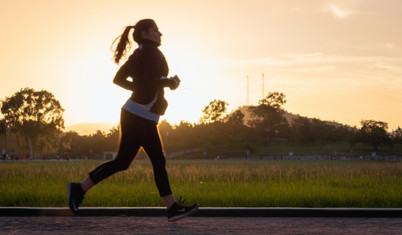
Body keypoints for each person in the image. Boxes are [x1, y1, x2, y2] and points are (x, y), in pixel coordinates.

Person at [67, 19, 199, 222]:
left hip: (141, 114)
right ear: (145, 34)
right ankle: (78, 189)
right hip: (137, 115)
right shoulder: (149, 53)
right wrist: (169, 82)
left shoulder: (141, 53)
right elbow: (148, 81)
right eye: (156, 30)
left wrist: (143, 89)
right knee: (124, 161)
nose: (160, 34)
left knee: (156, 160)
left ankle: (172, 207)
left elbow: (120, 79)